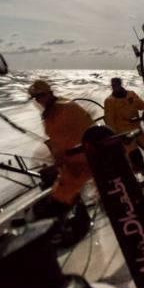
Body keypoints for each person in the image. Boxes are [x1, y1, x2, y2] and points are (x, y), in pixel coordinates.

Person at [28, 80, 93, 214]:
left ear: (49, 93)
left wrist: (70, 159)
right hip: (69, 166)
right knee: (57, 198)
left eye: (41, 96)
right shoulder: (48, 115)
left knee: (61, 199)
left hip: (84, 162)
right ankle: (76, 220)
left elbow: (87, 133)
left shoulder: (67, 108)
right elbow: (58, 141)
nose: (39, 100)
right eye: (36, 98)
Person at [104, 78, 144, 187]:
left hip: (137, 129)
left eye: (117, 84)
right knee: (135, 155)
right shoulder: (109, 101)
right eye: (114, 85)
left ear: (121, 84)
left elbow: (140, 105)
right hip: (125, 133)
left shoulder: (131, 94)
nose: (116, 87)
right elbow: (109, 120)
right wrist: (115, 136)